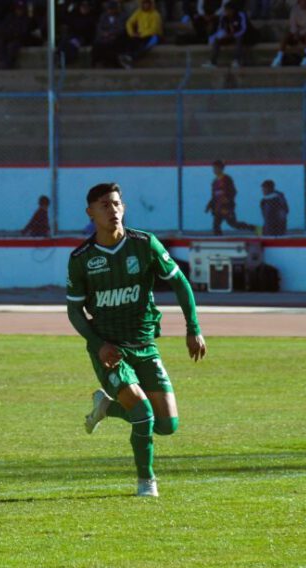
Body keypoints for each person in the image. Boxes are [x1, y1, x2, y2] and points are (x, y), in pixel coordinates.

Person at [67, 182, 206, 497]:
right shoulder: (82, 258)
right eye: (104, 205)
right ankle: (147, 484)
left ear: (123, 208)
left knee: (167, 425)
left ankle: (106, 406)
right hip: (110, 351)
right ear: (91, 213)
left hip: (145, 345)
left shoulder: (145, 244)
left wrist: (193, 327)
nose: (112, 210)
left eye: (116, 204)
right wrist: (97, 343)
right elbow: (74, 311)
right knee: (142, 414)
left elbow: (181, 282)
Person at [205, 160, 256, 235]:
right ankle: (218, 240)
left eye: (216, 168)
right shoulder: (214, 181)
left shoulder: (227, 179)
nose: (214, 170)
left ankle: (254, 228)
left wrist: (228, 200)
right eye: (213, 168)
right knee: (216, 225)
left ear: (221, 169)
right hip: (218, 208)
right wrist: (209, 205)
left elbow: (233, 191)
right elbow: (214, 196)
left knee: (233, 224)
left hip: (226, 207)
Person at [203, 1, 250, 69]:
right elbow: (221, 29)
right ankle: (212, 62)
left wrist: (233, 35)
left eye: (228, 10)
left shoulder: (240, 15)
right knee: (217, 40)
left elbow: (243, 29)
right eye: (226, 10)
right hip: (228, 36)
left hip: (241, 36)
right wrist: (223, 36)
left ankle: (236, 61)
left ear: (233, 10)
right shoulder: (224, 17)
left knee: (239, 38)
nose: (226, 12)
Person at [271, 0, 306, 67]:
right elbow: (292, 23)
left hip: (305, 33)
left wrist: (301, 32)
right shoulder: (294, 9)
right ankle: (279, 57)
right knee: (286, 36)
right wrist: (295, 32)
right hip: (296, 32)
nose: (304, 2)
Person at [120, 0, 162, 68]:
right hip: (141, 35)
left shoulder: (156, 15)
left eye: (147, 4)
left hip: (153, 35)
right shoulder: (138, 12)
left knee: (146, 47)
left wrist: (141, 35)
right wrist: (132, 33)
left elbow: (154, 29)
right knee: (130, 40)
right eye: (144, 4)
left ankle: (131, 57)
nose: (146, 5)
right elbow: (129, 22)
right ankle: (127, 56)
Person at [92, 0, 127, 68]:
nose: (110, 11)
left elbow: (121, 28)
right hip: (104, 36)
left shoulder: (122, 16)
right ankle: (97, 62)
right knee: (97, 44)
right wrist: (103, 33)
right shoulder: (103, 16)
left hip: (116, 36)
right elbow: (99, 27)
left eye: (112, 9)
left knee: (111, 44)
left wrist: (110, 33)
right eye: (109, 9)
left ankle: (112, 63)